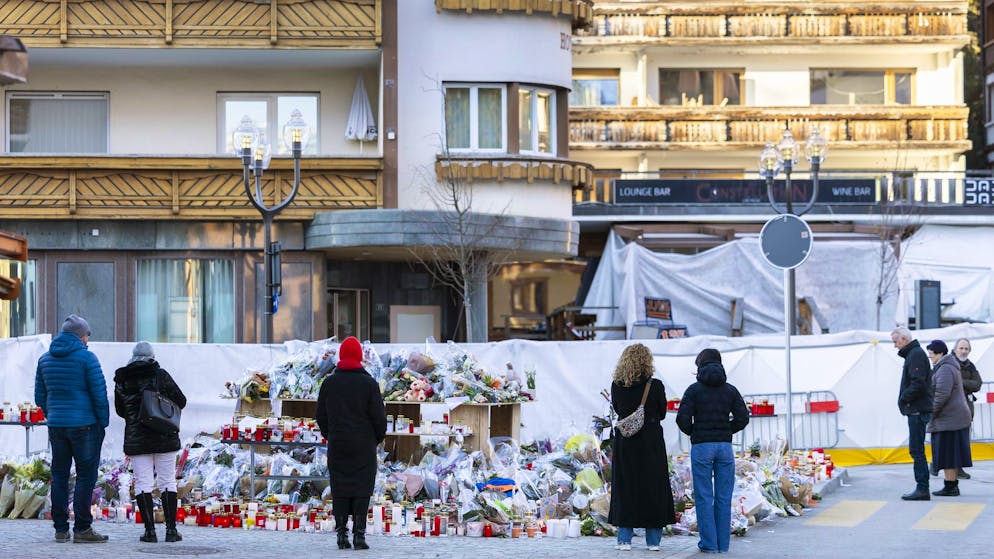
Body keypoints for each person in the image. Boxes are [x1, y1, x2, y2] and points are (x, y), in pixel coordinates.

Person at [34, 314, 110, 543]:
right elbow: (99, 394)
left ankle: (60, 529)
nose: (88, 339)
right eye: (87, 334)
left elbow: (40, 396)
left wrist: (54, 415)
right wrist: (102, 422)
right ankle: (82, 529)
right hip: (85, 425)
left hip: (57, 426)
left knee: (59, 475)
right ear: (80, 335)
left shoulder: (45, 359)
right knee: (85, 477)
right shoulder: (87, 359)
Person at [676, 348, 749, 554]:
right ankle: (723, 545)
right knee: (724, 497)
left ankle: (709, 544)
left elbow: (682, 418)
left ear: (700, 365)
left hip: (702, 447)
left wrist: (695, 432)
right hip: (725, 447)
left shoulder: (693, 390)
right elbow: (743, 418)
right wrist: (726, 430)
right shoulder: (730, 390)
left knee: (704, 496)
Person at [315, 336, 386, 551]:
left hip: (338, 444)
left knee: (340, 489)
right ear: (359, 356)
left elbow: (321, 416)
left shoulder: (329, 383)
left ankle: (341, 536)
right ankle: (359, 535)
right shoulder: (369, 383)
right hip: (363, 446)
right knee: (362, 489)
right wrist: (375, 439)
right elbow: (379, 419)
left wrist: (331, 434)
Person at [114, 341, 187, 543]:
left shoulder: (123, 379)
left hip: (137, 439)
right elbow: (181, 400)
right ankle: (171, 531)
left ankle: (150, 532)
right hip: (164, 435)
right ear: (152, 356)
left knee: (143, 483)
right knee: (167, 481)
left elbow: (121, 411)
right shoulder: (160, 374)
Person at [607, 343, 676, 552]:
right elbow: (662, 412)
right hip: (650, 442)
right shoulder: (655, 386)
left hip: (625, 443)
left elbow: (618, 409)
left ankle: (624, 539)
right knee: (653, 487)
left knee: (625, 487)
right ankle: (653, 541)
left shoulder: (616, 385)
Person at [925, 340, 973, 496]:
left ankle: (951, 486)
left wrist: (931, 413)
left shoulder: (945, 368)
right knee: (948, 453)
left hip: (950, 419)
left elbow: (941, 394)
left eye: (931, 354)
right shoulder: (946, 366)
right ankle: (951, 485)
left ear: (940, 353)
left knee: (948, 453)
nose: (930, 357)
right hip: (951, 419)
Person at [891, 326, 933, 501]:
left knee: (916, 450)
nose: (895, 346)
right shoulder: (914, 353)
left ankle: (922, 488)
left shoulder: (915, 354)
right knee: (917, 449)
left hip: (916, 409)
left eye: (895, 342)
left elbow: (918, 383)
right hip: (916, 408)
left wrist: (903, 398)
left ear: (904, 339)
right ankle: (922, 487)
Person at [953, 338, 982, 480]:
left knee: (963, 439)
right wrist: (965, 384)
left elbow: (977, 384)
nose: (964, 351)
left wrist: (961, 382)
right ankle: (941, 465)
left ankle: (958, 468)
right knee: (952, 439)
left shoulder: (970, 366)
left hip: (967, 408)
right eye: (961, 348)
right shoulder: (949, 363)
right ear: (955, 349)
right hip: (952, 408)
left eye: (966, 349)